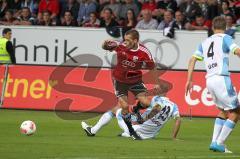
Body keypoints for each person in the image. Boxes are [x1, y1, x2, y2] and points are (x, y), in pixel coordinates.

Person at [81, 29, 160, 139]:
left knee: (146, 103)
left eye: (128, 40)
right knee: (124, 106)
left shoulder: (144, 52)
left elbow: (152, 67)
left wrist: (156, 83)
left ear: (136, 40)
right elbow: (105, 46)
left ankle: (135, 110)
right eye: (125, 40)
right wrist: (105, 43)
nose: (125, 42)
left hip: (135, 80)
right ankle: (131, 131)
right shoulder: (120, 46)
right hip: (120, 81)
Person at [185, 16, 240, 153]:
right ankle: (220, 143)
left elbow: (192, 60)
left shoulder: (205, 42)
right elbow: (237, 51)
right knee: (236, 112)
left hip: (209, 80)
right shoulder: (226, 38)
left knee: (223, 111)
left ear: (212, 27)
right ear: (226, 28)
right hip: (222, 79)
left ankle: (214, 142)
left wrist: (189, 80)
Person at [115, 95, 181, 140]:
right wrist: (174, 137)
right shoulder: (174, 106)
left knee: (119, 112)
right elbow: (178, 120)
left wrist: (143, 118)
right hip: (151, 135)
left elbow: (157, 108)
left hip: (138, 131)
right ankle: (126, 133)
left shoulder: (156, 99)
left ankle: (126, 133)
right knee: (135, 118)